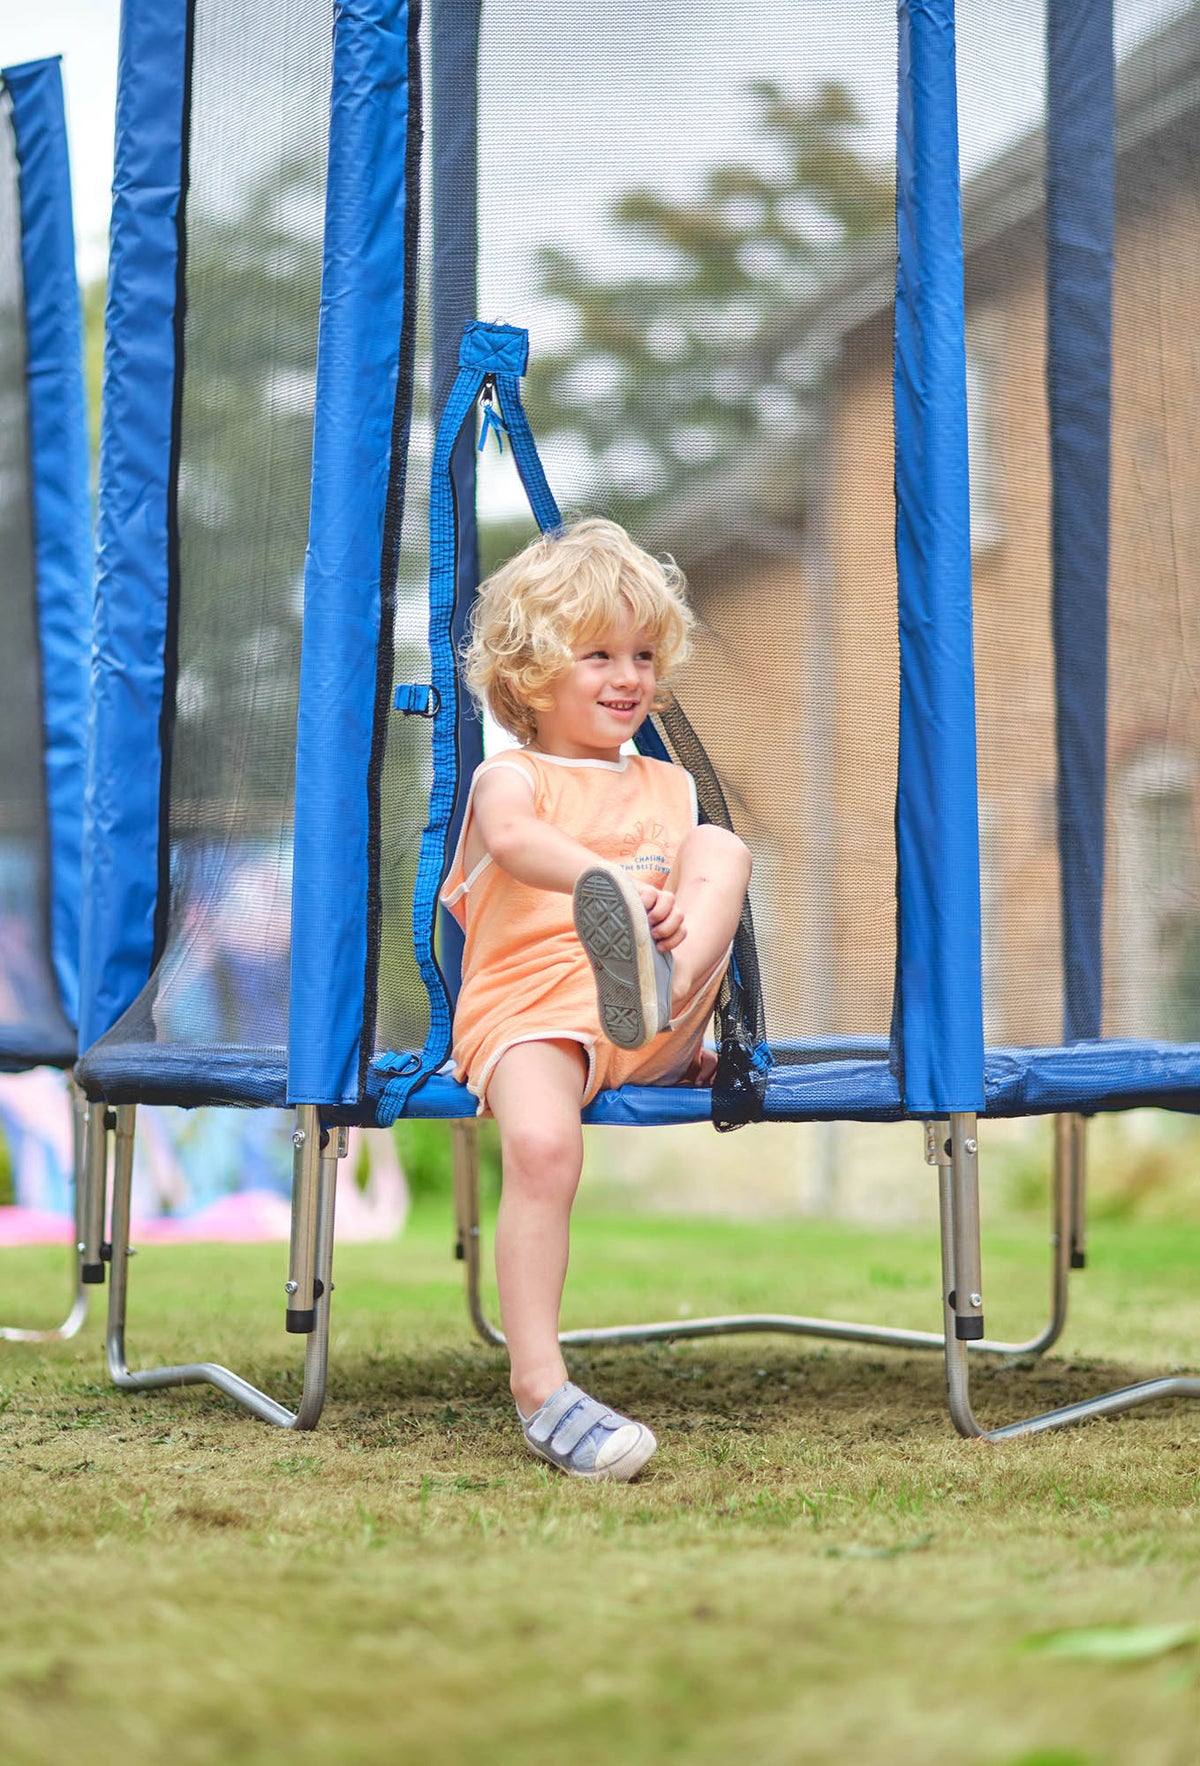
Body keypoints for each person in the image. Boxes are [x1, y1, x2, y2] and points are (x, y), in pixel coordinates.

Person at [441, 517, 752, 1482]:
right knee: (541, 1145)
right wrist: (605, 882)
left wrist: (676, 985)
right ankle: (541, 1389)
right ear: (530, 675)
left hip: (646, 1019)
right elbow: (520, 845)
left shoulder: (668, 784)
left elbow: (705, 877)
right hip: (532, 1007)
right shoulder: (514, 777)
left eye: (645, 655)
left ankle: (665, 990)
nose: (630, 676)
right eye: (600, 655)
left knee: (721, 848)